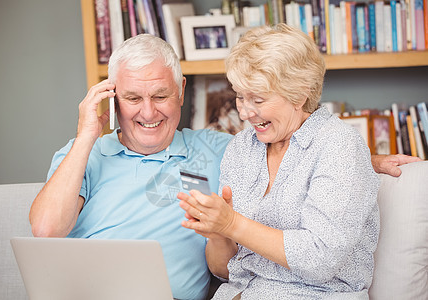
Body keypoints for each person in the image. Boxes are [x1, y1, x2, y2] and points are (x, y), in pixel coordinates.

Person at [30, 33, 418, 300]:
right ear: (113, 98)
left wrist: (368, 160)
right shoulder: (85, 153)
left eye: (160, 95)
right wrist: (86, 135)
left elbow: (310, 153)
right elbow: (46, 230)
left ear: (181, 91)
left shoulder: (217, 147)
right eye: (132, 98)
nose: (147, 112)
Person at [178, 24, 417, 299]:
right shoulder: (241, 148)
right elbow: (225, 271)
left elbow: (320, 259)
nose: (244, 112)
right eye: (240, 97)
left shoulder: (338, 145)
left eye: (257, 99)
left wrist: (232, 223)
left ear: (299, 94)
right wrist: (217, 231)